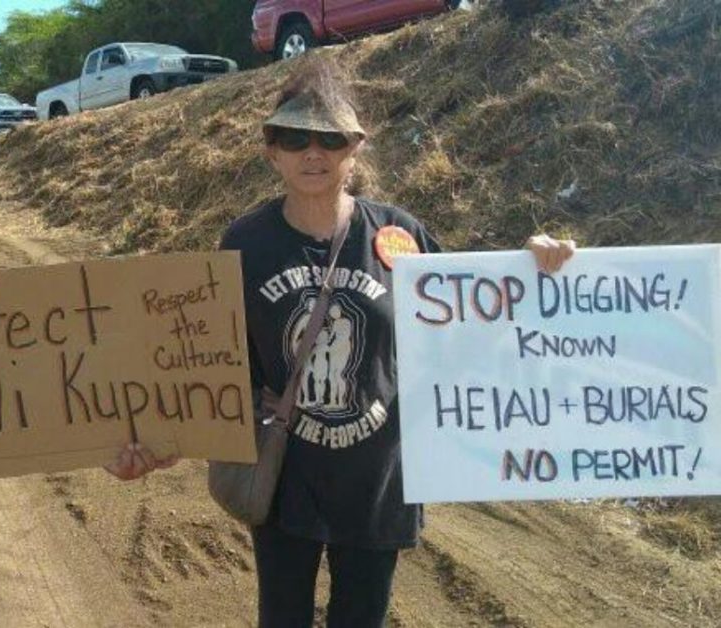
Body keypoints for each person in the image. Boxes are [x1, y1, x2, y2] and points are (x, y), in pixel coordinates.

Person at [219, 56, 574, 628]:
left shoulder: (400, 236)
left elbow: (468, 324)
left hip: (378, 484)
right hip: (285, 484)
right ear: (271, 150)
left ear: (354, 149)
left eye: (330, 139)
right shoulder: (245, 243)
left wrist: (532, 270)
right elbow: (216, 362)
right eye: (294, 137)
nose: (314, 152)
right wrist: (154, 434)